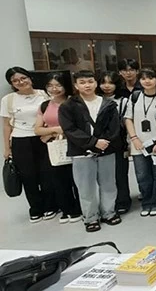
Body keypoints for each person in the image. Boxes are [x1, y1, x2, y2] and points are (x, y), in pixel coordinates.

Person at [59, 70, 123, 232]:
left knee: (108, 183)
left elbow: (114, 127)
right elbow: (69, 129)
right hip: (81, 152)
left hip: (106, 149)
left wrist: (104, 142)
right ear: (76, 85)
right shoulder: (68, 106)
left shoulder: (108, 104)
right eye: (82, 82)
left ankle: (109, 212)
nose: (87, 85)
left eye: (90, 81)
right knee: (85, 187)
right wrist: (93, 142)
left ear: (95, 83)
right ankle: (90, 217)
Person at [2, 67, 57, 223]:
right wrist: (7, 148)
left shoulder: (43, 94)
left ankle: (50, 205)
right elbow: (6, 125)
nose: (21, 82)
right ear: (12, 84)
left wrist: (50, 134)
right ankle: (35, 208)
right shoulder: (9, 99)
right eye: (15, 81)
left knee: (47, 173)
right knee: (28, 175)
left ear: (30, 78)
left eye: (23, 78)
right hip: (20, 140)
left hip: (43, 138)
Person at [34, 72, 81, 224]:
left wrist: (57, 130)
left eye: (58, 85)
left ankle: (79, 208)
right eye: (50, 86)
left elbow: (81, 126)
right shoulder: (45, 105)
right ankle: (66, 209)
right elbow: (38, 130)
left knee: (77, 179)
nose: (54, 89)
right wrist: (55, 130)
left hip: (75, 145)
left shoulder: (75, 102)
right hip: (54, 146)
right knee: (59, 179)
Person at [124, 68, 156, 217]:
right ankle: (147, 202)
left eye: (150, 78)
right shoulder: (134, 97)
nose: (147, 81)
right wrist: (134, 138)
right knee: (142, 175)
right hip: (138, 144)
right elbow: (128, 119)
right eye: (143, 78)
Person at [97, 71, 132, 214]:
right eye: (103, 82)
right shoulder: (94, 100)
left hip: (118, 142)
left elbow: (127, 123)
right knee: (103, 176)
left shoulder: (123, 101)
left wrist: (129, 144)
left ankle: (123, 201)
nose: (107, 86)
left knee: (120, 174)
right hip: (98, 143)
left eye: (110, 83)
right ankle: (106, 203)